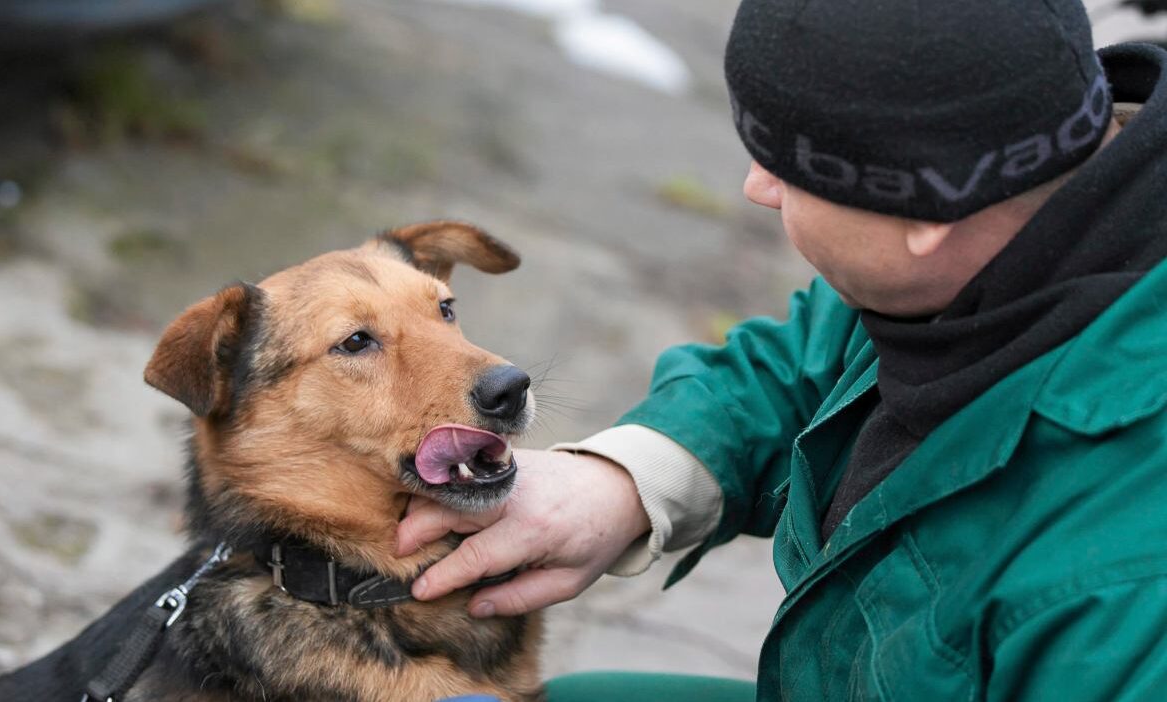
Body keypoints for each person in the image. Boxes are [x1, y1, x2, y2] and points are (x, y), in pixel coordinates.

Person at [399, 0, 1167, 699]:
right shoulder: (989, 240)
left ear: (929, 212)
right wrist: (628, 481)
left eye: (789, 168)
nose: (757, 188)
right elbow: (810, 360)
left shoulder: (1124, 591)